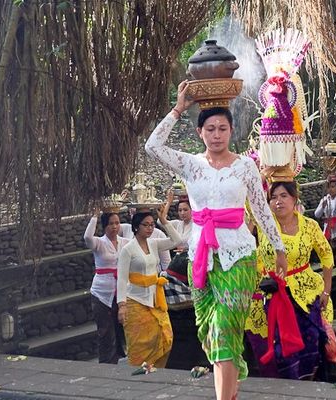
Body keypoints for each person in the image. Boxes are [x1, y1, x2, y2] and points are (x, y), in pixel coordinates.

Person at [144, 80, 287, 400]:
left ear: (231, 130)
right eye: (210, 128)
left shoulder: (246, 166)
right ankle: (230, 392)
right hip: (201, 257)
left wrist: (278, 247)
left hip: (239, 256)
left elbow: (262, 210)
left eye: (223, 128)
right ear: (200, 133)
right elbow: (152, 146)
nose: (217, 134)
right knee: (210, 331)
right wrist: (179, 108)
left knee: (225, 328)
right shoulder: (191, 165)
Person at [245, 181, 334, 380]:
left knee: (310, 340)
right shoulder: (263, 224)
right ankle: (287, 386)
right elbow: (248, 203)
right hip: (272, 293)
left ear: (294, 199)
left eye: (284, 196)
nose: (278, 201)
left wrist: (326, 290)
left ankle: (308, 383)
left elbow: (327, 256)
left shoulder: (309, 226)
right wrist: (259, 176)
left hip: (305, 293)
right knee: (280, 348)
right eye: (274, 197)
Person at [116, 212, 181, 368]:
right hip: (135, 300)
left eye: (152, 225)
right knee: (140, 341)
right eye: (146, 225)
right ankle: (139, 371)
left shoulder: (153, 244)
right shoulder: (128, 249)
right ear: (136, 227)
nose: (150, 228)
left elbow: (176, 240)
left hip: (154, 297)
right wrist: (122, 305)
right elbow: (122, 278)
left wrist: (164, 221)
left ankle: (157, 368)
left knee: (165, 334)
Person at [83, 208, 130, 364]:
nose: (115, 227)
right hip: (101, 292)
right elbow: (87, 237)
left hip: (121, 290)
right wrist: (94, 216)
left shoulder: (125, 243)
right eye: (111, 224)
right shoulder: (99, 243)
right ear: (105, 226)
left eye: (117, 223)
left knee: (120, 327)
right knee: (105, 330)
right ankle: (106, 362)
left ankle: (121, 357)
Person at [314, 171, 336, 265]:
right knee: (330, 256)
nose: (331, 189)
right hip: (328, 230)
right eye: (329, 187)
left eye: (333, 187)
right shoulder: (325, 199)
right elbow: (317, 215)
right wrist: (322, 206)